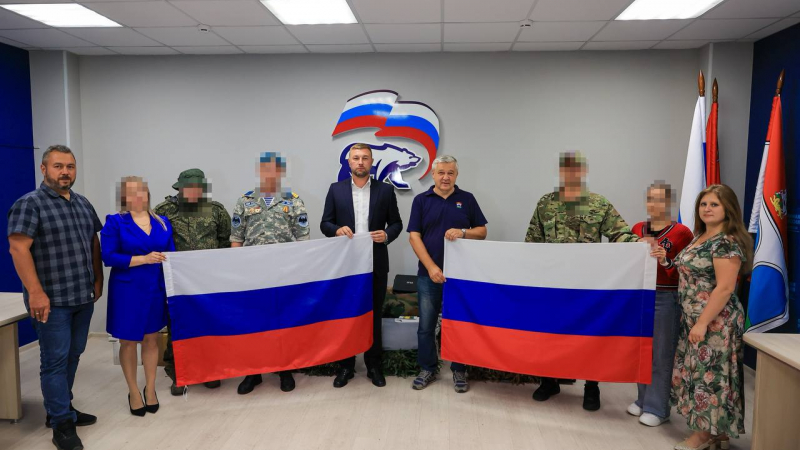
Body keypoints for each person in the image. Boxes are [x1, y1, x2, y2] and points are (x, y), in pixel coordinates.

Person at [525, 151, 639, 411]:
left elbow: (620, 234)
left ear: (583, 172)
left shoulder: (599, 204)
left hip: (588, 285)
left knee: (590, 336)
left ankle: (591, 386)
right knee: (550, 334)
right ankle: (549, 381)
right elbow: (532, 241)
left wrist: (640, 244)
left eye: (576, 169)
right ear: (561, 172)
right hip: (553, 284)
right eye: (566, 169)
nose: (571, 174)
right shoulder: (545, 203)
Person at [7, 145, 102, 450]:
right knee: (54, 361)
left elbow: (93, 241)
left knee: (73, 355)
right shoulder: (29, 204)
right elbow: (18, 248)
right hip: (51, 300)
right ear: (44, 169)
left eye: (70, 166)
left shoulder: (82, 203)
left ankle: (63, 408)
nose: (65, 172)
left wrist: (98, 279)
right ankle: (61, 423)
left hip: (81, 295)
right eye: (58, 166)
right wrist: (35, 293)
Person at [671, 184, 751, 450]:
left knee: (710, 377)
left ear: (728, 208)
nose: (707, 209)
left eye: (714, 204)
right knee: (700, 374)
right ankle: (718, 433)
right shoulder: (701, 237)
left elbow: (725, 288)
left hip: (715, 321)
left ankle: (702, 435)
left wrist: (703, 322)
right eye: (703, 204)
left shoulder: (726, 242)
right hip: (695, 318)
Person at [320, 143, 403, 388]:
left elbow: (397, 224)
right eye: (356, 158)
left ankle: (373, 365)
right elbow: (325, 223)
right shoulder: (336, 190)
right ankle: (346, 366)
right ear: (349, 162)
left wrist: (386, 235)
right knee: (347, 314)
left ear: (371, 162)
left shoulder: (385, 191)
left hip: (375, 262)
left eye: (365, 158)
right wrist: (336, 230)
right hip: (345, 264)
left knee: (373, 315)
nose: (360, 162)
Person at [231, 152, 309, 395]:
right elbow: (236, 239)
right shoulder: (244, 201)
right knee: (254, 321)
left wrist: (298, 271)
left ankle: (284, 370)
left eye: (275, 170)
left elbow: (303, 239)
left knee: (283, 320)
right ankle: (254, 372)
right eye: (265, 169)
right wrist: (238, 271)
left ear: (281, 173)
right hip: (253, 272)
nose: (270, 174)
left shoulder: (293, 201)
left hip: (284, 271)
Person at [407, 155, 487, 393]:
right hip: (428, 274)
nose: (445, 177)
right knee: (426, 326)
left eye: (450, 173)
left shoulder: (467, 199)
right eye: (441, 172)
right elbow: (414, 236)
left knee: (458, 325)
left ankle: (459, 370)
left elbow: (482, 232)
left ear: (456, 175)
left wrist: (464, 232)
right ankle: (427, 368)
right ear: (433, 174)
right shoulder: (421, 200)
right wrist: (431, 267)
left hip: (460, 276)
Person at [101, 177, 174, 416]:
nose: (138, 196)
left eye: (142, 190)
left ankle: (150, 389)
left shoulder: (162, 222)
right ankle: (133, 391)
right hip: (127, 291)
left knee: (152, 339)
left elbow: (172, 256)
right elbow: (108, 257)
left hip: (155, 289)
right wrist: (143, 259)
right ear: (123, 196)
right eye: (131, 192)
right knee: (129, 341)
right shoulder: (115, 222)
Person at [154, 168, 231, 395]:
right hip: (178, 282)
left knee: (209, 324)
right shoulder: (163, 211)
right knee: (179, 325)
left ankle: (210, 370)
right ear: (179, 188)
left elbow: (224, 243)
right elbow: (156, 241)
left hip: (208, 281)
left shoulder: (216, 210)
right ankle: (178, 373)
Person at [626, 181, 693, 426]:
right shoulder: (636, 228)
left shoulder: (681, 233)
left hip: (666, 297)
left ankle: (658, 408)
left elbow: (687, 272)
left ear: (669, 202)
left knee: (661, 353)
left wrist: (666, 261)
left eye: (660, 200)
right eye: (651, 199)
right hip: (640, 295)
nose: (655, 204)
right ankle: (643, 399)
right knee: (641, 350)